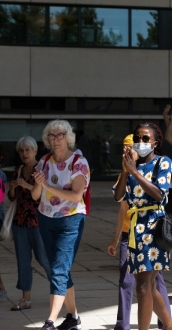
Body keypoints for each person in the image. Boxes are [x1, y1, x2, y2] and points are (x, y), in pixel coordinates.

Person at [113, 123, 172, 330]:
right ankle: (169, 325)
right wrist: (126, 171)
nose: (140, 142)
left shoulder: (163, 162)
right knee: (149, 286)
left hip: (154, 228)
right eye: (137, 138)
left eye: (145, 139)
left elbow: (160, 195)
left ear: (155, 143)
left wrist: (135, 172)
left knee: (142, 286)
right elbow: (118, 196)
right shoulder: (132, 165)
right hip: (134, 229)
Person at [32, 120, 90, 330]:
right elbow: (35, 195)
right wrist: (39, 185)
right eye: (51, 136)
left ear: (68, 137)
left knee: (58, 270)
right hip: (46, 219)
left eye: (59, 135)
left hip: (71, 220)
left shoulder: (79, 162)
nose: (55, 140)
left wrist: (47, 185)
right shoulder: (45, 161)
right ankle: (73, 317)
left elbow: (76, 196)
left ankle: (50, 322)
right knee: (59, 268)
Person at [6, 136, 51, 311]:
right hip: (20, 222)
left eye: (28, 150)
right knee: (23, 260)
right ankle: (26, 299)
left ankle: (61, 291)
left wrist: (26, 184)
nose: (24, 153)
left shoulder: (43, 169)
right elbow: (12, 198)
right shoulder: (18, 170)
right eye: (21, 150)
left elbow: (45, 195)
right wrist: (12, 189)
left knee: (44, 259)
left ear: (35, 151)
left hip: (39, 222)